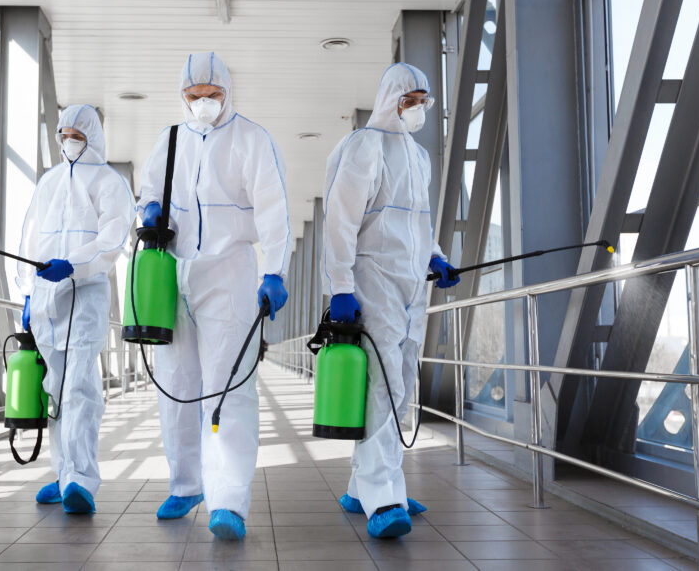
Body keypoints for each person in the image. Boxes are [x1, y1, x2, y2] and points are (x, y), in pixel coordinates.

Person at [138, 52, 291, 540]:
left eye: (213, 95)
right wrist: (149, 210)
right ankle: (186, 483)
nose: (203, 104)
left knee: (227, 387)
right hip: (173, 272)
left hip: (230, 273)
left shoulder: (251, 139)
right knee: (178, 384)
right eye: (194, 96)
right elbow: (144, 194)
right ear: (182, 96)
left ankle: (227, 499)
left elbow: (273, 210)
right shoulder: (171, 139)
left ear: (227, 92)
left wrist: (275, 271)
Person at [322, 62, 460, 538]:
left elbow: (419, 221)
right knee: (381, 384)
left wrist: (437, 257)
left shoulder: (418, 156)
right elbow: (340, 222)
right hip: (372, 276)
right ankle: (384, 497)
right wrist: (340, 285)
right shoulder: (365, 146)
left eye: (423, 101)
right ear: (390, 100)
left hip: (410, 283)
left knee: (400, 382)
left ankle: (365, 487)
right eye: (410, 101)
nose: (417, 109)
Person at [17, 104, 135, 514]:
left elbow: (113, 236)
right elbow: (29, 240)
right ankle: (62, 471)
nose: (69, 141)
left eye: (77, 135)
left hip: (84, 296)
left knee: (80, 386)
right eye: (63, 133)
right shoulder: (48, 182)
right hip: (47, 300)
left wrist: (75, 264)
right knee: (54, 388)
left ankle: (81, 480)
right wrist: (28, 293)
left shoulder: (108, 181)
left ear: (92, 137)